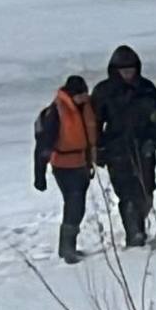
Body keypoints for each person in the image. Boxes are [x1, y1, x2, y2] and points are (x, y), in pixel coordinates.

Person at [91, 45, 156, 247]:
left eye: (131, 69)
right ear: (115, 70)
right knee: (127, 193)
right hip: (117, 149)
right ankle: (135, 233)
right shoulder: (104, 91)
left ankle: (138, 224)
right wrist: (98, 148)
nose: (128, 74)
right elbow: (94, 122)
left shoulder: (147, 88)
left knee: (146, 190)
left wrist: (153, 138)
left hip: (144, 148)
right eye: (124, 70)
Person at [33, 75, 98, 263]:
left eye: (85, 95)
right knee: (74, 203)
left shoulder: (85, 108)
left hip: (81, 164)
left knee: (78, 206)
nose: (84, 98)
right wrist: (40, 174)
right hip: (63, 166)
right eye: (80, 95)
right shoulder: (55, 113)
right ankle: (67, 248)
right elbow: (43, 146)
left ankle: (68, 246)